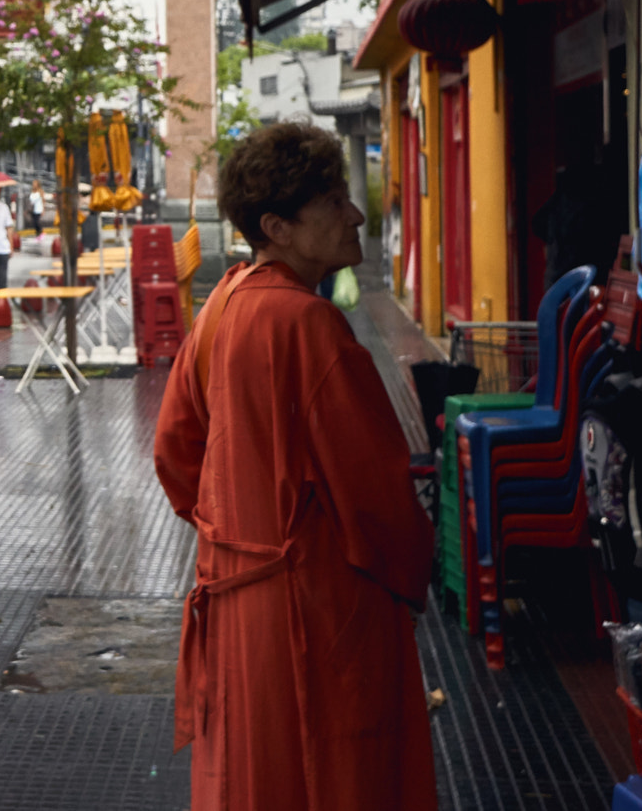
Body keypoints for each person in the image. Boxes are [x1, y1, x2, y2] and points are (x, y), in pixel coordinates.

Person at [154, 122, 433, 811]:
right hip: (319, 608)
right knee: (333, 778)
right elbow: (379, 501)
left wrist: (237, 528)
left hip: (236, 602)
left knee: (255, 780)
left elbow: (174, 451)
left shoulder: (223, 305)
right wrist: (413, 580)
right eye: (334, 201)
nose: (356, 214)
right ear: (277, 226)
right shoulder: (308, 327)